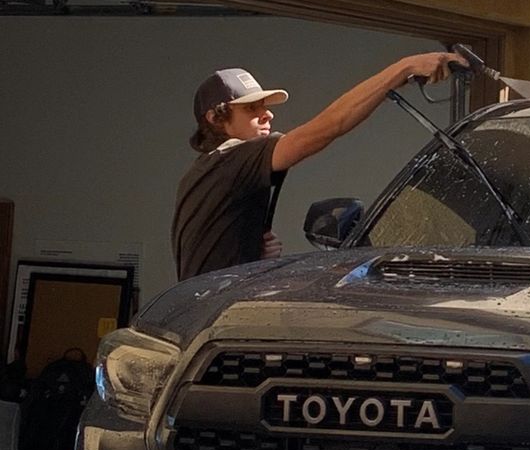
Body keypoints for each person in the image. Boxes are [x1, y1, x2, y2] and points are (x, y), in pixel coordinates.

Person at [172, 52, 464, 281]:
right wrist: (403, 68)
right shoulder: (234, 160)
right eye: (251, 109)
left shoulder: (206, 170)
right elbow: (328, 127)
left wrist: (249, 252)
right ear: (215, 118)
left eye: (264, 106)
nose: (267, 114)